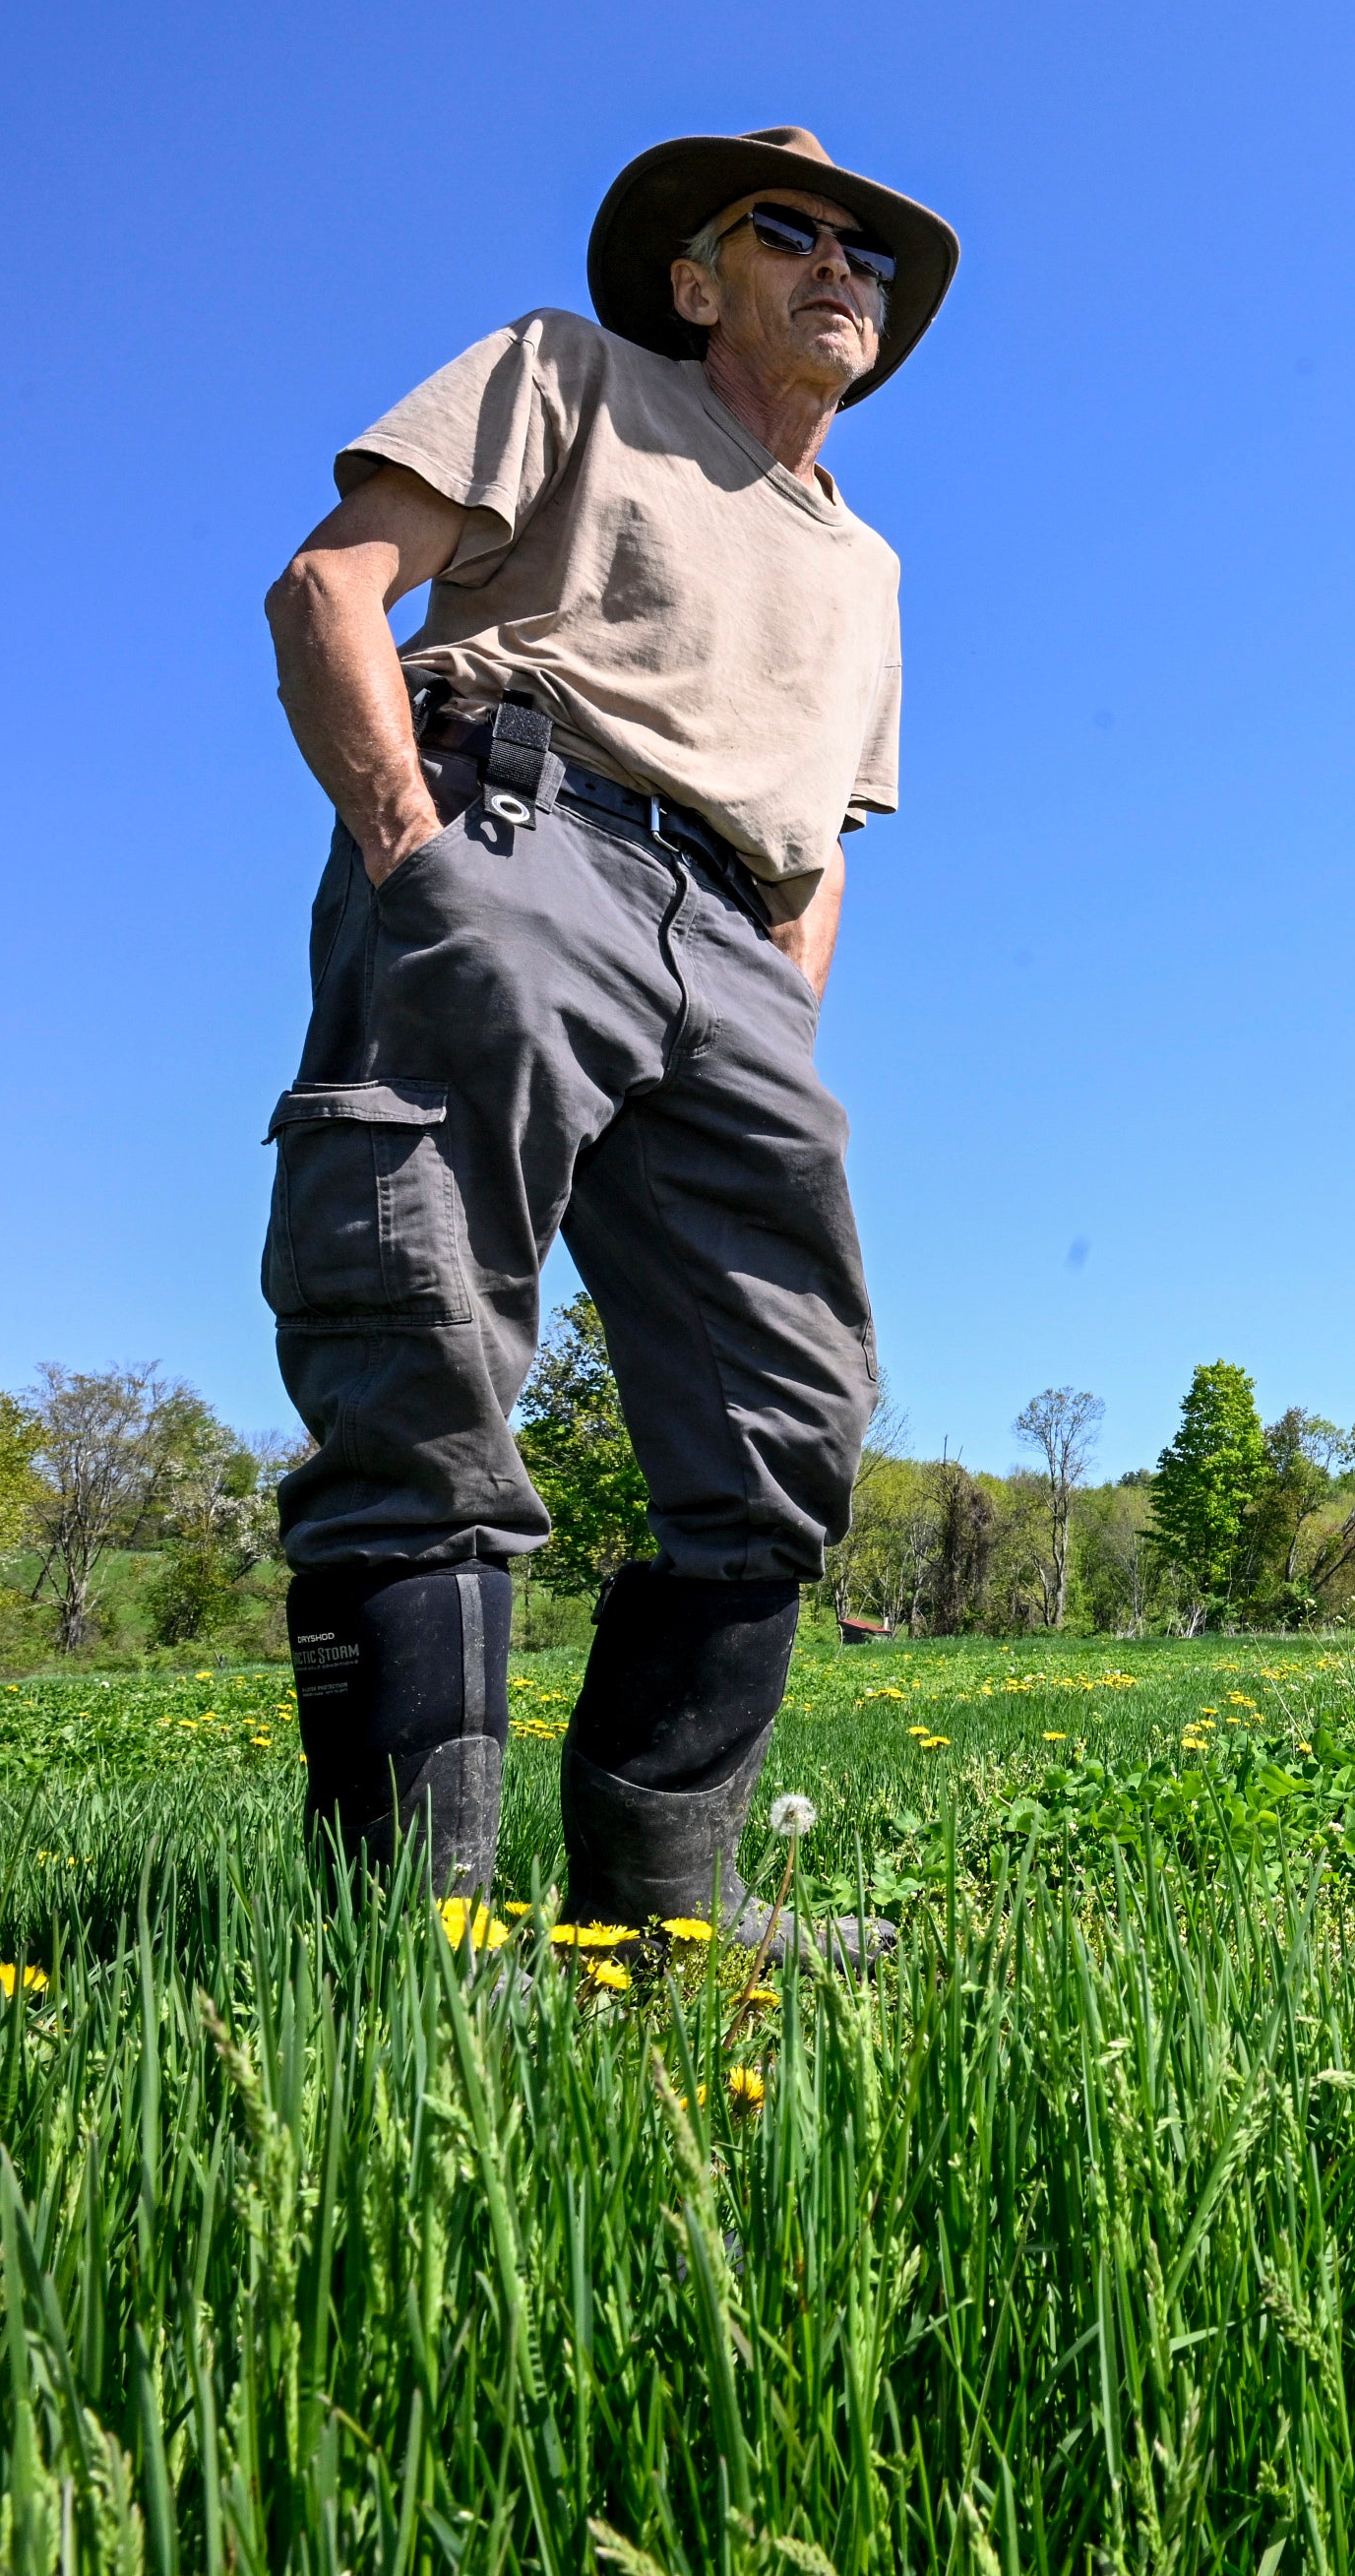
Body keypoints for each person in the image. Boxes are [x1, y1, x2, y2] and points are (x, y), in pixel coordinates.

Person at [257, 128, 959, 1960]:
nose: (838, 266)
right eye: (788, 231)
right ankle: (418, 1944)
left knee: (788, 1413)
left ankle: (661, 1911)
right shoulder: (570, 376)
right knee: (417, 1341)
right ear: (692, 275)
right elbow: (333, 586)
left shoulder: (870, 565)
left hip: (736, 948)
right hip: (518, 841)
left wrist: (777, 1019)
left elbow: (827, 836)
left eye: (864, 251)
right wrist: (416, 858)